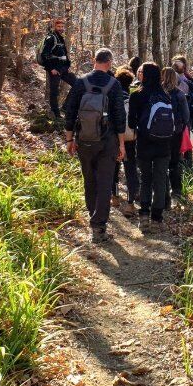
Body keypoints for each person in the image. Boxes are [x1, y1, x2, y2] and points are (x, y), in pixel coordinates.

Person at [64, 48, 127, 243]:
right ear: (109, 63)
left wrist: (69, 140)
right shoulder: (114, 84)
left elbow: (70, 112)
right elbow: (119, 117)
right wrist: (122, 144)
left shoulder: (80, 83)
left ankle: (93, 217)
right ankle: (99, 227)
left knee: (89, 179)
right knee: (105, 182)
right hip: (107, 141)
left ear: (94, 61)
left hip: (84, 140)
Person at [128, 62, 184, 230]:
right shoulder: (166, 96)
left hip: (144, 144)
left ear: (144, 75)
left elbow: (131, 123)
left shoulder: (136, 95)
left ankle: (144, 217)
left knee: (146, 179)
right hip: (164, 145)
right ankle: (157, 220)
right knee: (160, 180)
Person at [113, 66, 140, 216]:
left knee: (114, 169)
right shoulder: (132, 99)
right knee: (130, 171)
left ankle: (115, 197)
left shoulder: (112, 98)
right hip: (130, 139)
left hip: (114, 139)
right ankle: (130, 204)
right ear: (130, 83)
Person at [161, 66, 191, 205]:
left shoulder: (157, 93)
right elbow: (186, 117)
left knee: (161, 162)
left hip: (159, 133)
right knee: (174, 162)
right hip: (176, 132)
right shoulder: (179, 95)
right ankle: (177, 192)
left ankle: (163, 194)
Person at [39, 18, 75, 119]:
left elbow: (65, 55)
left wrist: (67, 66)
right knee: (54, 91)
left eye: (62, 27)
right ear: (55, 27)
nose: (61, 28)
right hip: (54, 70)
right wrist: (51, 69)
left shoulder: (60, 38)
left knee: (77, 84)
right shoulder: (51, 38)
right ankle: (56, 114)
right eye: (59, 27)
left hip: (63, 69)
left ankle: (65, 107)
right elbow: (44, 55)